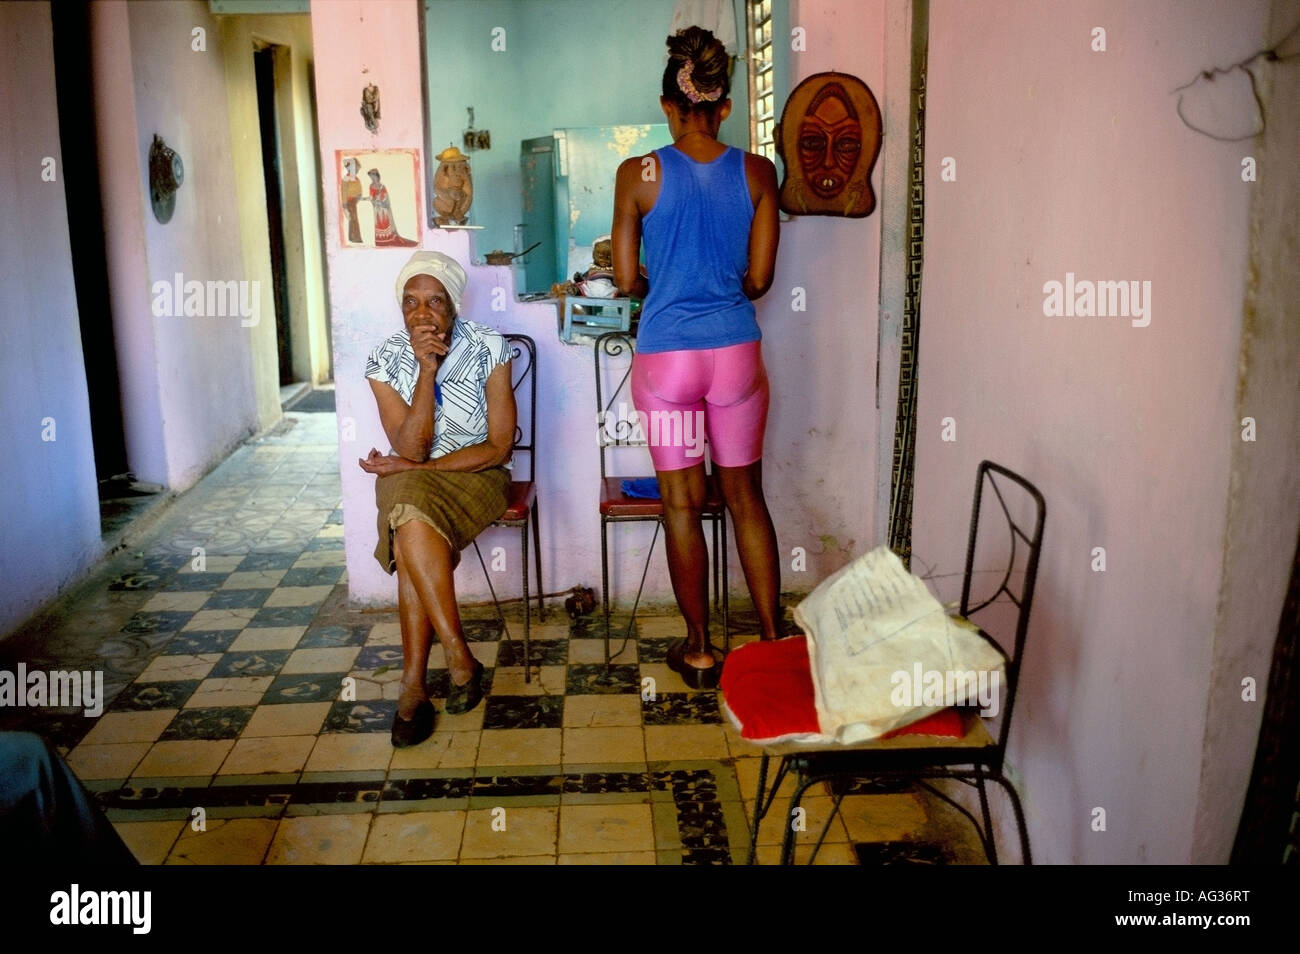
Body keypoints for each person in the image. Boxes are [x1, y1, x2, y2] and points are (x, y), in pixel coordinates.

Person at [611, 26, 782, 689]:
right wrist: (718, 292)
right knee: (746, 497)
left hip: (668, 362)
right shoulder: (757, 171)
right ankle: (769, 640)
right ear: (725, 106)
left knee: (681, 503)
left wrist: (670, 290)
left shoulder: (638, 174)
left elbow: (626, 280)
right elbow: (761, 280)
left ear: (667, 104)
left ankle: (701, 649)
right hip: (735, 353)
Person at [360, 250, 515, 747]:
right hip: (411, 479)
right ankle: (457, 657)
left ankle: (413, 687)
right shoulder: (384, 360)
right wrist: (426, 372)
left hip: (476, 476)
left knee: (406, 508)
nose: (422, 314)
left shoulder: (488, 346)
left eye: (434, 302)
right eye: (410, 303)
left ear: (453, 306)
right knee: (408, 507)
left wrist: (415, 469)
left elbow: (498, 447)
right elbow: (409, 447)